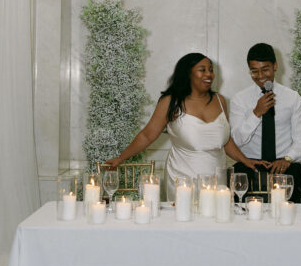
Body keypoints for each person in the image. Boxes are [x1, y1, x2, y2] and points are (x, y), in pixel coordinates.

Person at [104, 52, 258, 200]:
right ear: (188, 73)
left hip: (217, 178)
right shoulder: (170, 102)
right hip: (183, 179)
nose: (209, 74)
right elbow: (147, 135)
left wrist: (246, 160)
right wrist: (121, 158)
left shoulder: (220, 100)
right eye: (202, 70)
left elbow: (225, 141)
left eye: (211, 70)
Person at [230, 42, 301, 203]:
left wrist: (288, 159)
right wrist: (256, 113)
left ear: (275, 66)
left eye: (265, 69)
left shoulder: (293, 98)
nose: (260, 76)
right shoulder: (240, 99)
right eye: (254, 71)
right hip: (249, 168)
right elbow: (236, 140)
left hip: (285, 167)